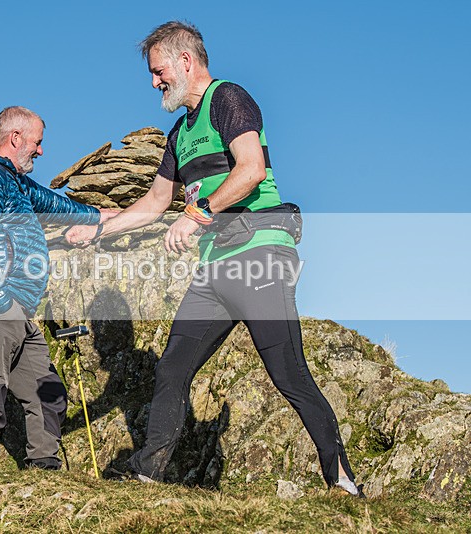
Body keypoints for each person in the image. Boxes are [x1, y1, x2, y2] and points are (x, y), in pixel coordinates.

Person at [65, 21, 362, 496]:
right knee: (173, 366)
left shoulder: (229, 99)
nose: (154, 81)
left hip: (259, 253)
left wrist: (199, 212)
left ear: (186, 61)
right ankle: (149, 471)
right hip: (215, 269)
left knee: (288, 373)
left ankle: (342, 478)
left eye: (159, 70)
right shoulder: (178, 134)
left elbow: (251, 170)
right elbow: (154, 204)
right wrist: (99, 226)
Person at [0, 106, 116, 472]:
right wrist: (1, 302)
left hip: (17, 312)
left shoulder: (15, 181)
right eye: (37, 142)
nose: (40, 151)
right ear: (15, 138)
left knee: (49, 392)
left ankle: (44, 468)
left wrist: (102, 217)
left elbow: (55, 203)